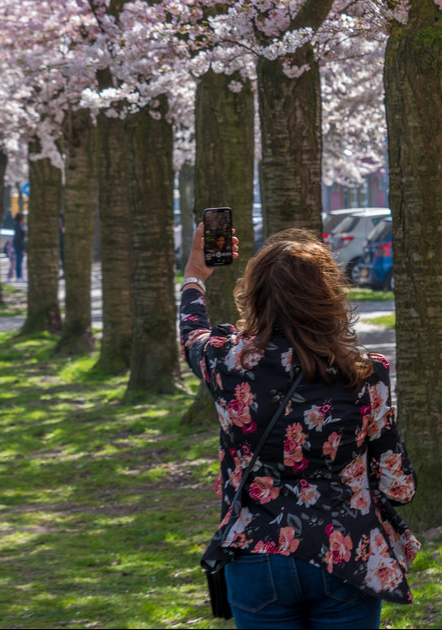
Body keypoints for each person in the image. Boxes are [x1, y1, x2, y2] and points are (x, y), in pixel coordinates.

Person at [179, 224, 419, 629]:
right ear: (329, 297)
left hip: (256, 551)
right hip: (346, 553)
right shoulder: (366, 373)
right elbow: (398, 485)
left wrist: (195, 276)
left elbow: (192, 334)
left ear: (254, 296)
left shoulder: (226, 364)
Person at [12, 212, 26, 281]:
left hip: (18, 245)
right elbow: (20, 238)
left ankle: (20, 276)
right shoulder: (19, 226)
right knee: (19, 261)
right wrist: (23, 248)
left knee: (19, 261)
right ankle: (19, 277)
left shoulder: (19, 225)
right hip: (19, 246)